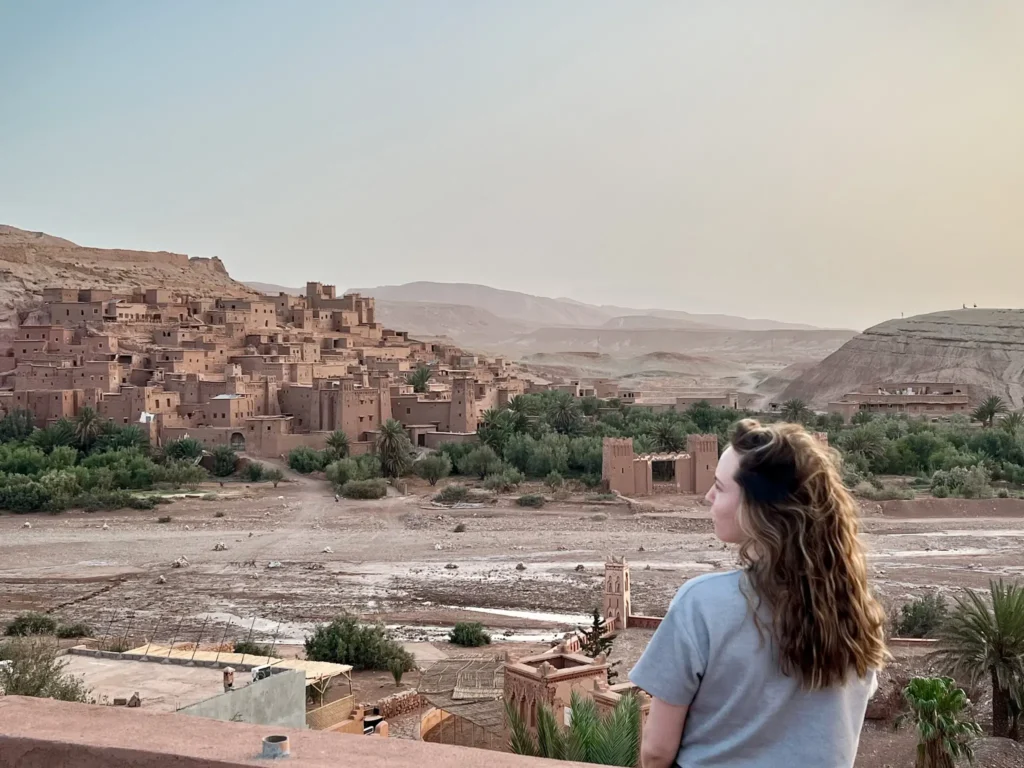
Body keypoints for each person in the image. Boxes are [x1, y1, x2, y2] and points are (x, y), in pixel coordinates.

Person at [631, 419, 886, 768]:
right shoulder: (856, 610)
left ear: (755, 508)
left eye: (719, 488)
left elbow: (657, 751)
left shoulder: (701, 604)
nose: (708, 496)